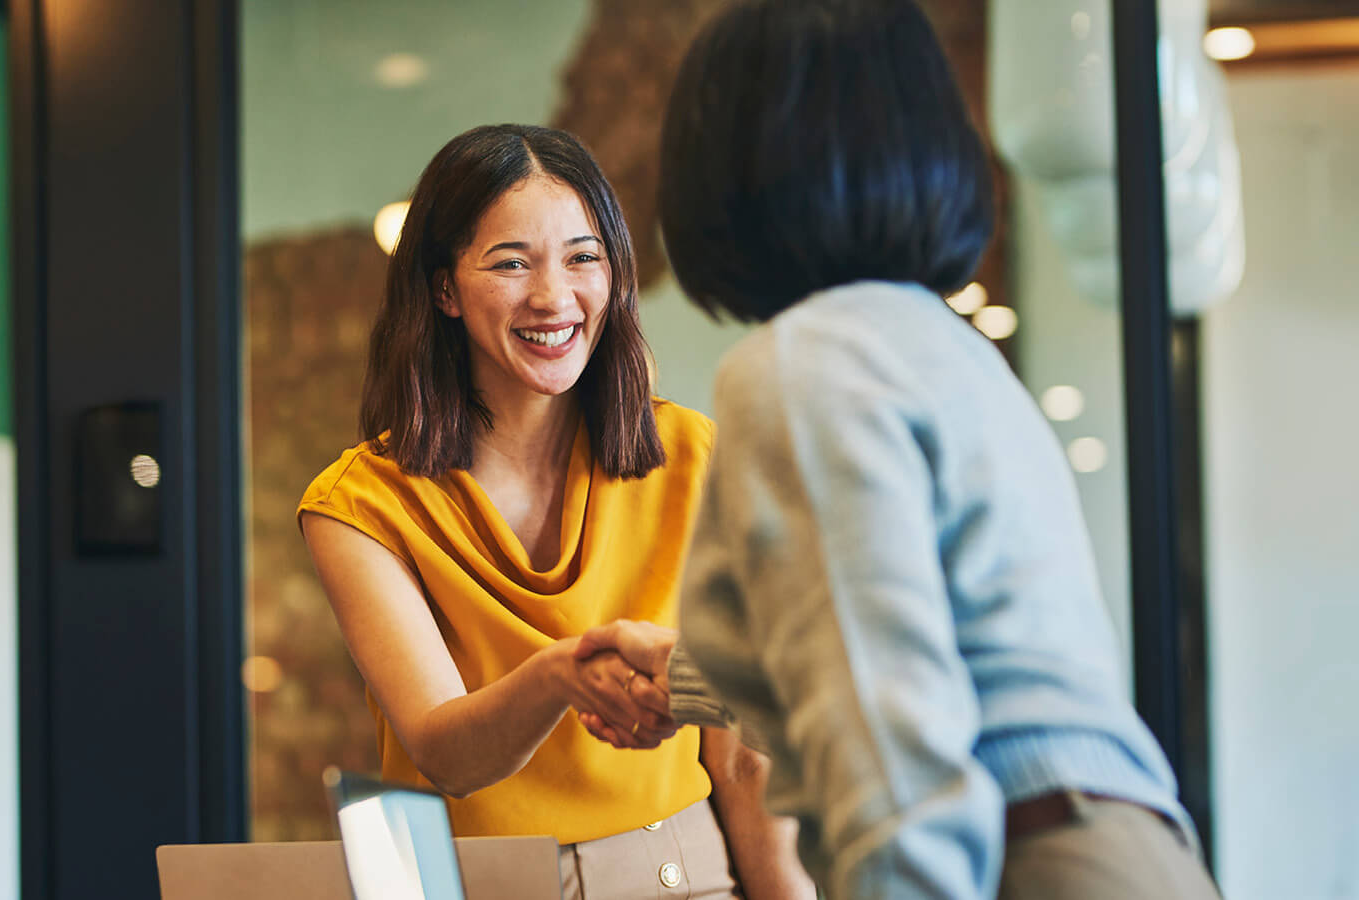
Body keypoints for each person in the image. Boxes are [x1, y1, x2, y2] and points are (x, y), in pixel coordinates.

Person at [573, 2, 1224, 898]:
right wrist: (685, 679)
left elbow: (891, 751)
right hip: (1115, 847)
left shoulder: (803, 368)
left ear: (726, 165)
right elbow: (936, 644)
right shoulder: (943, 347)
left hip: (1023, 860)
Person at [298, 124, 814, 900]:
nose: (554, 296)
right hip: (467, 884)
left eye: (583, 257)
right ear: (444, 288)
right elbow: (448, 754)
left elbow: (745, 752)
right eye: (511, 263)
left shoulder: (695, 456)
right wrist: (562, 676)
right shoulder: (358, 506)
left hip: (683, 876)